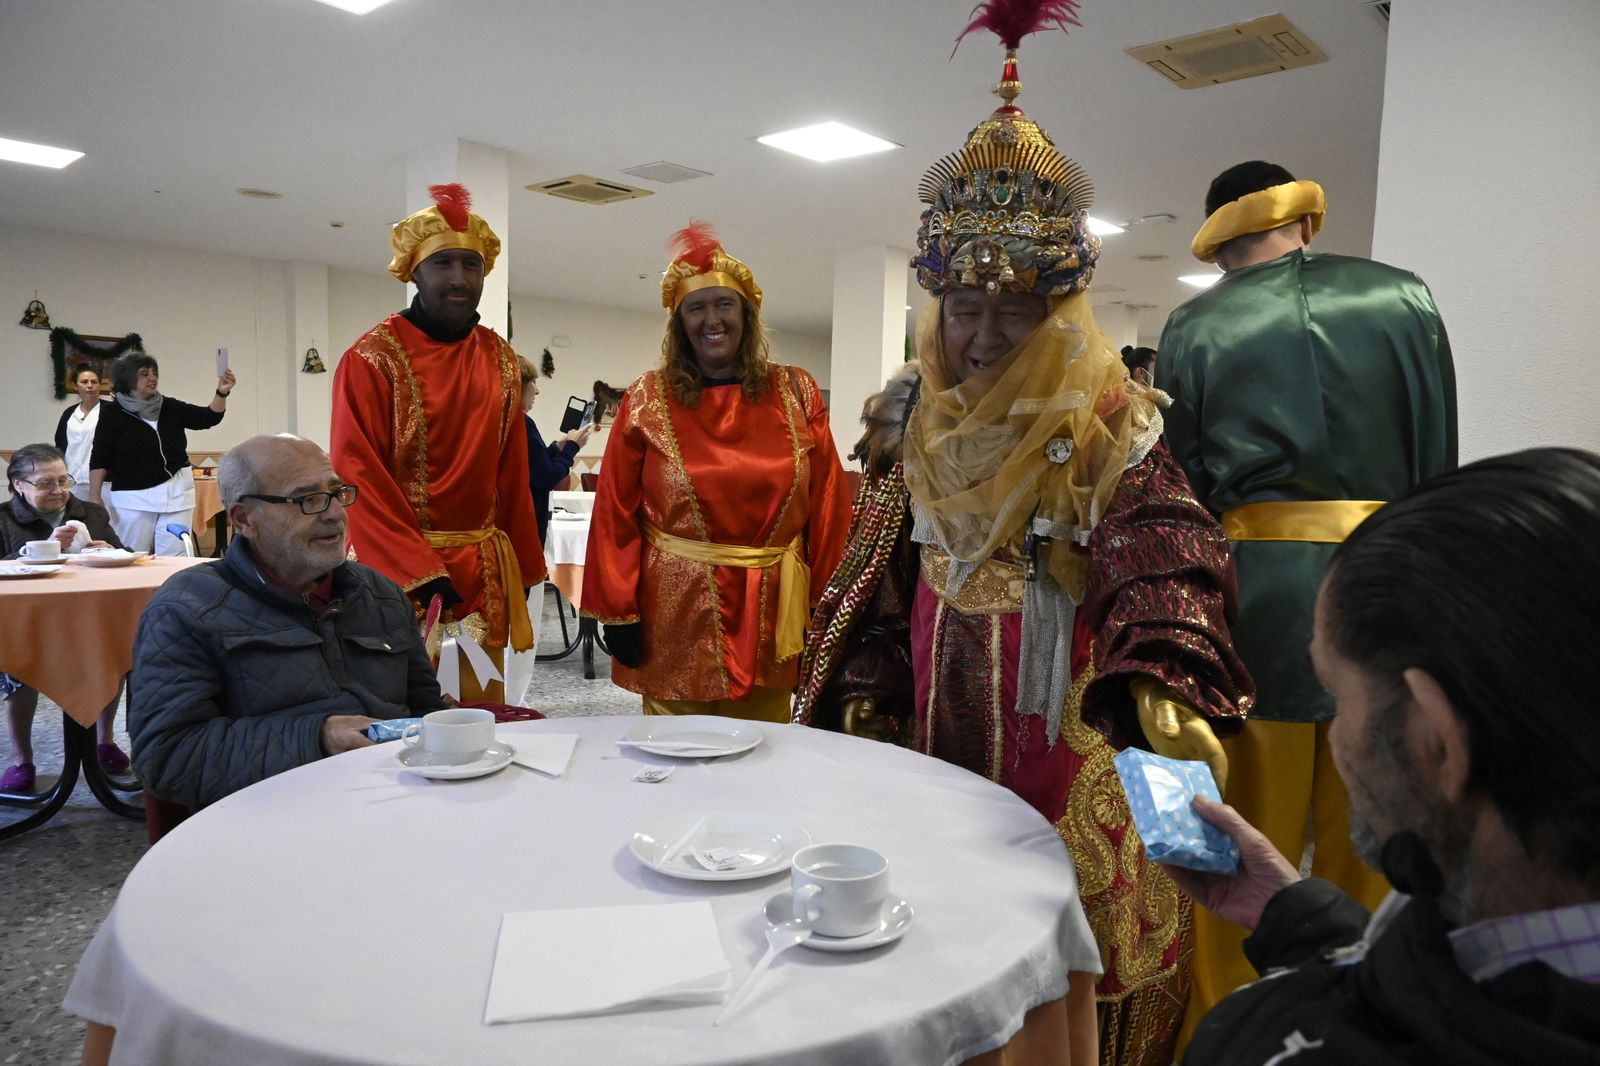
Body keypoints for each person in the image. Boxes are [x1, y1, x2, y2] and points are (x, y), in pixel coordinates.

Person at [793, 15, 1253, 1065]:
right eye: (965, 306)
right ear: (937, 307)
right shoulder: (911, 424)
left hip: (1073, 742)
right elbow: (878, 578)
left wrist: (1155, 678)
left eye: (1014, 309)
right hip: (940, 733)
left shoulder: (1111, 422)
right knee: (940, 942)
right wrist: (867, 681)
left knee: (1080, 958)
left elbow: (1164, 550)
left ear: (1057, 311)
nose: (986, 334)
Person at [1171, 447, 1600, 1064]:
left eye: (1336, 696)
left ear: (1437, 740)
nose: (1336, 739)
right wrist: (1297, 917)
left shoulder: (1264, 1046)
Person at [1158, 159, 1458, 1041]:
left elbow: (1179, 497)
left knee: (1239, 848)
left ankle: (1236, 1033)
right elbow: (1437, 462)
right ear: (1308, 223)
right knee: (1387, 838)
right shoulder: (1405, 298)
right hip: (1387, 594)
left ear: (1218, 242)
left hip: (1256, 604)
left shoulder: (1199, 322)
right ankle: (1389, 1026)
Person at [582, 222, 852, 722]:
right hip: (675, 607)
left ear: (747, 315)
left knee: (765, 746)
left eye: (724, 305)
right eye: (697, 307)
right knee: (676, 750)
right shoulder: (647, 398)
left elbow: (829, 504)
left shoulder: (797, 391)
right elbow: (614, 510)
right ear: (679, 322)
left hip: (775, 607)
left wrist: (830, 601)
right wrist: (617, 607)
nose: (713, 320)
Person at [128, 434, 446, 812]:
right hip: (271, 825)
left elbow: (426, 710)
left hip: (397, 806)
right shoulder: (186, 610)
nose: (334, 514)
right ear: (245, 519)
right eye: (306, 499)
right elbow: (167, 757)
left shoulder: (379, 593)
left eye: (337, 492)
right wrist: (319, 737)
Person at [331, 184, 542, 703]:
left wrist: (525, 565)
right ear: (414, 270)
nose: (458, 278)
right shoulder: (372, 359)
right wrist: (417, 571)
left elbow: (511, 471)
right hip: (398, 575)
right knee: (403, 718)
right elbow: (357, 474)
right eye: (443, 263)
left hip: (481, 575)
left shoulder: (500, 357)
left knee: (479, 712)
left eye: (470, 265)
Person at [1, 444, 127, 792]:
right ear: (18, 485)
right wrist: (41, 549)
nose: (58, 490)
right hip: (27, 622)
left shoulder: (89, 512)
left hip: (90, 614)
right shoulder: (2, 519)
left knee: (113, 657)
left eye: (63, 480)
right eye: (45, 483)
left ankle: (105, 741)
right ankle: (21, 758)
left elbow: (124, 555)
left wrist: (103, 549)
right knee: (18, 671)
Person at [88, 351, 236, 555]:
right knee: (130, 555)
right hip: (133, 497)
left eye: (154, 373)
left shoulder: (169, 406)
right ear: (128, 379)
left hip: (177, 493)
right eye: (144, 374)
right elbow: (99, 457)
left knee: (176, 556)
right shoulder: (112, 413)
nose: (153, 378)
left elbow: (208, 417)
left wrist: (222, 392)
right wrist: (95, 497)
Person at [517, 355, 595, 543]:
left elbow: (534, 463)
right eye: (534, 381)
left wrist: (558, 447)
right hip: (529, 523)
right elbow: (546, 477)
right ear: (518, 386)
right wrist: (571, 449)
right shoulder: (523, 423)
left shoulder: (511, 421)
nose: (537, 391)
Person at [55, 363, 111, 503]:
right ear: (75, 385)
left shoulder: (111, 411)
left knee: (103, 522)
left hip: (104, 484)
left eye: (94, 382)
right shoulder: (69, 413)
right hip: (72, 482)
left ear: (100, 385)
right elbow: (60, 446)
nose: (89, 386)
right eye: (84, 382)